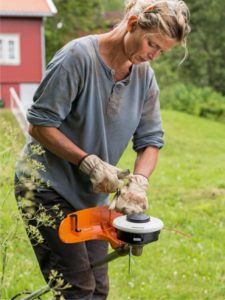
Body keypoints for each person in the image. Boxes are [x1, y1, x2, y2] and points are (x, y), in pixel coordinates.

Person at [14, 0, 190, 298]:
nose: (153, 56)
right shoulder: (77, 57)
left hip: (90, 197)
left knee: (97, 290)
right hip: (44, 187)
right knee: (78, 289)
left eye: (161, 51)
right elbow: (40, 125)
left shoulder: (144, 76)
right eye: (152, 44)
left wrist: (140, 182)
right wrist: (89, 163)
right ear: (133, 23)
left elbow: (150, 141)